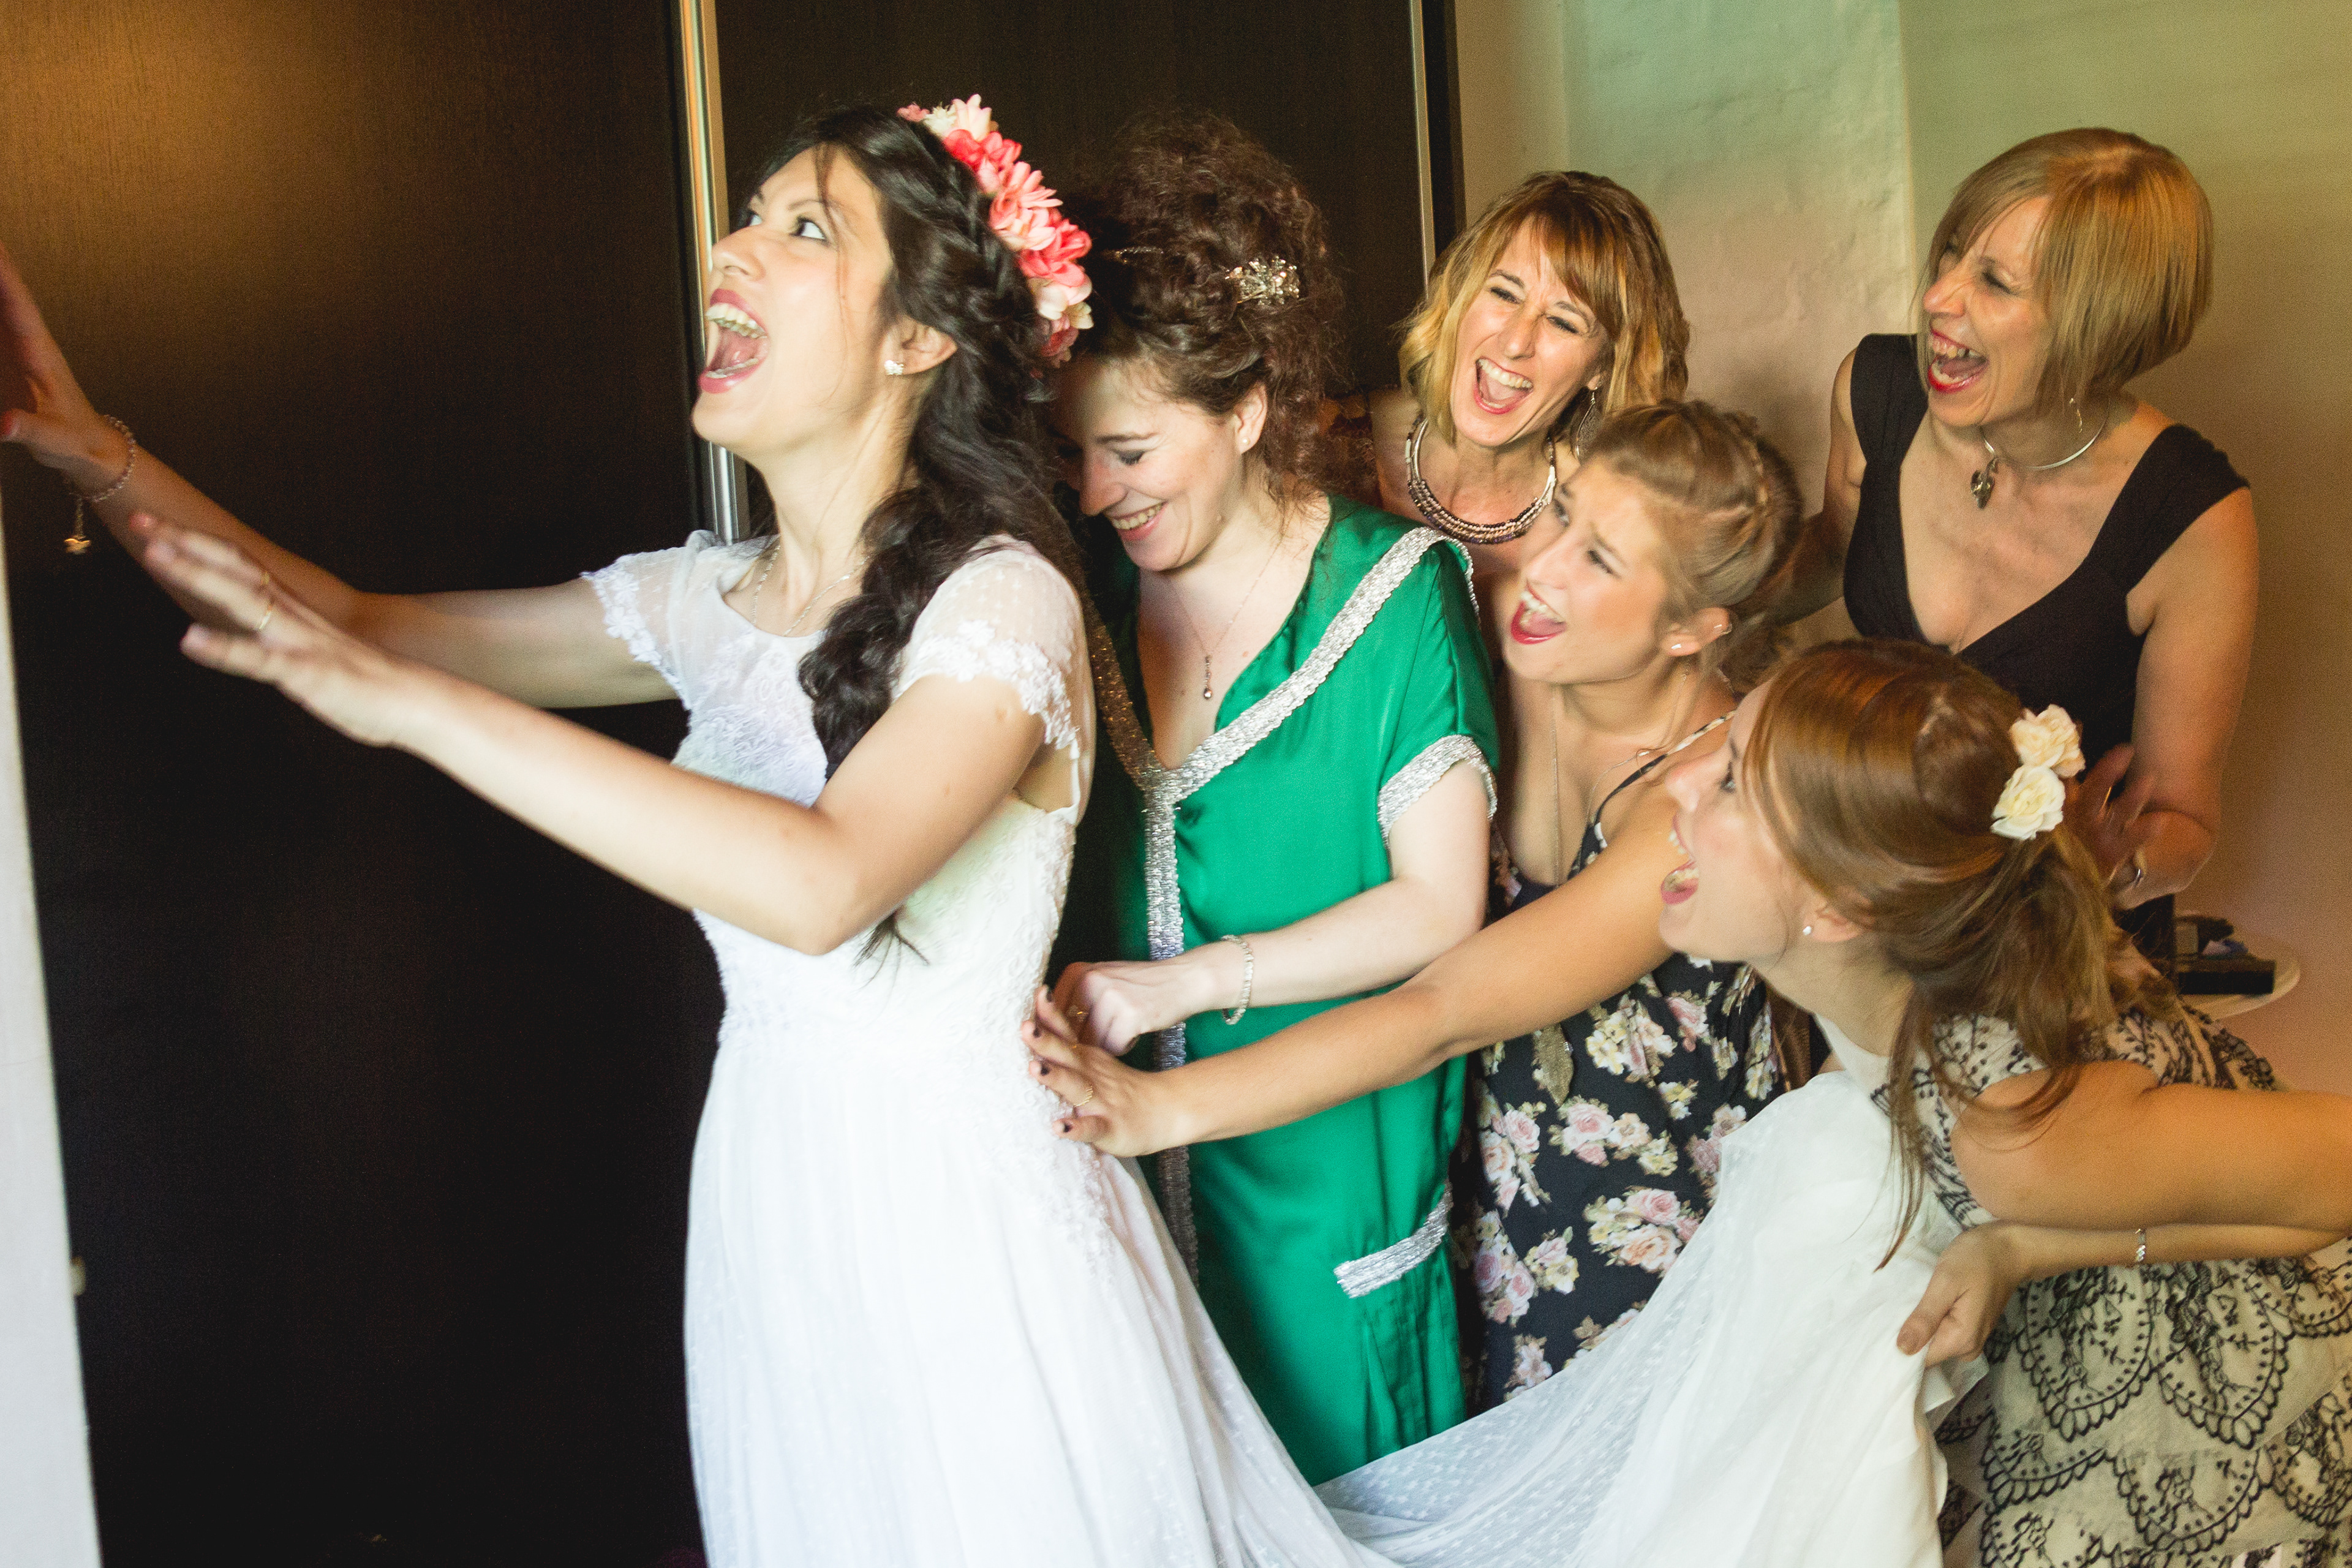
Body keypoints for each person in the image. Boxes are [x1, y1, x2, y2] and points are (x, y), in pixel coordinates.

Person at [0, 99, 1379, 1568]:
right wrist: (95, 455)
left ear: (919, 337)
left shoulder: (1005, 599)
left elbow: (823, 879)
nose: (733, 248)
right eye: (747, 216)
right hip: (772, 1214)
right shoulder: (701, 603)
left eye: (804, 227)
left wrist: (411, 713)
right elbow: (343, 621)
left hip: (965, 1239)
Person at [1030, 639, 2351, 1566]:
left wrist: (2024, 1232)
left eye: (1727, 789)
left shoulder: (2012, 1134)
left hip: (2226, 1402)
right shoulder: (1900, 977)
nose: (1673, 787)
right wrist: (1157, 1109)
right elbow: (1446, 1003)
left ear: (1837, 905)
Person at [1042, 399, 1802, 1410]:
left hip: (1638, 1233)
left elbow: (1441, 1011)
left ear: (1694, 630)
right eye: (1562, 514)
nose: (1544, 567)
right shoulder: (1519, 653)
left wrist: (1161, 1099)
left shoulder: (1694, 807)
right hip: (1483, 1208)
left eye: (1600, 560)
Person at [1048, 111, 1499, 1483]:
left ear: (1247, 410)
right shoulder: (1070, 598)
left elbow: (1439, 908)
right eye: (1076, 452)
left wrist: (1187, 984)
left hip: (1325, 1212)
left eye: (1131, 451)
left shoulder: (1397, 597)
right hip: (1119, 1224)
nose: (1096, 491)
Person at [1795, 129, 2255, 951]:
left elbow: (2184, 820)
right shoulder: (1876, 391)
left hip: (2058, 951)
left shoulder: (2193, 516)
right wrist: (1682, 584)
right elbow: (1829, 553)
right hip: (1878, 913)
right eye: (1951, 254)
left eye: (1995, 282)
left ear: (2099, 327)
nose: (1938, 297)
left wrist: (2096, 868)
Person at [1342, 172, 1689, 614]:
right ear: (1462, 295)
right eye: (1505, 294)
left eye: (1563, 322)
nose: (1514, 342)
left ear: (1602, 368)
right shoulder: (1327, 439)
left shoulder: (1609, 534)